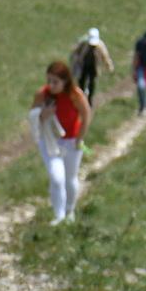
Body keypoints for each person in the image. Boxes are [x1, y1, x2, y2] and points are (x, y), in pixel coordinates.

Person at [30, 59, 92, 224]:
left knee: (70, 178)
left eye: (55, 82)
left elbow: (86, 115)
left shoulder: (75, 95)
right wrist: (43, 114)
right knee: (57, 177)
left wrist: (80, 139)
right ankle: (59, 215)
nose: (51, 85)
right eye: (49, 80)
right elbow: (32, 115)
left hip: (72, 141)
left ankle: (70, 210)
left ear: (65, 81)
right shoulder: (42, 94)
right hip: (50, 142)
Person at [70, 27, 114, 104]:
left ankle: (89, 100)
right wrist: (75, 63)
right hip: (84, 65)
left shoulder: (100, 45)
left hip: (94, 66)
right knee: (81, 81)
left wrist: (109, 66)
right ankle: (81, 97)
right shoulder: (83, 43)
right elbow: (75, 52)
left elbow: (105, 56)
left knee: (92, 82)